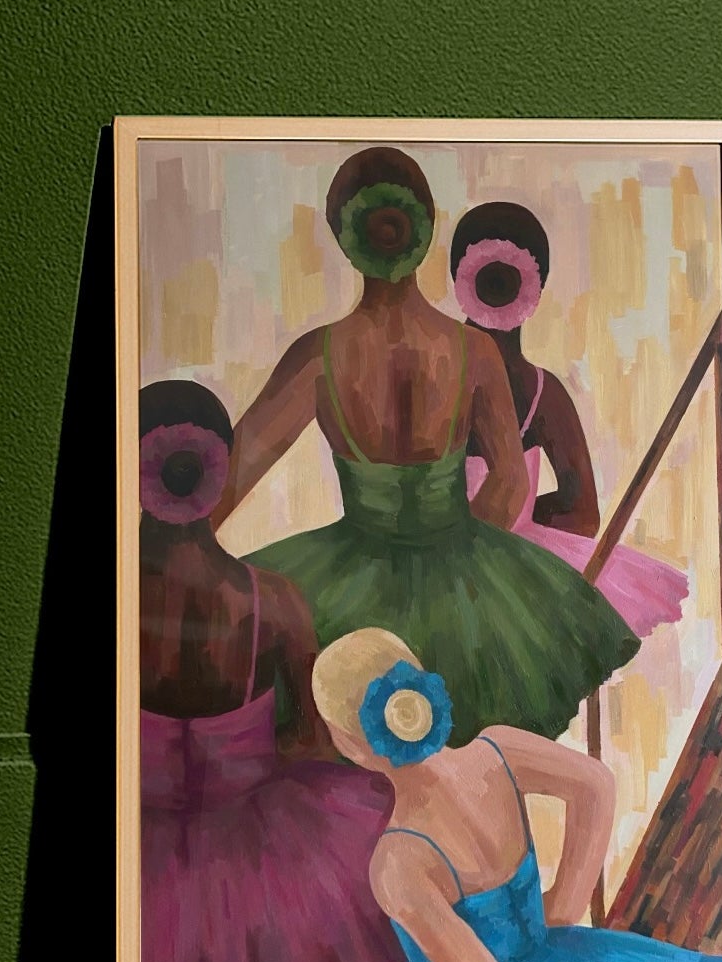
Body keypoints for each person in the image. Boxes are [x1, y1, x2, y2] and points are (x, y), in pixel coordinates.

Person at [213, 147, 640, 744]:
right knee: (462, 752)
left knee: (351, 736)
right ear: (427, 232)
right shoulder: (473, 351)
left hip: (349, 575)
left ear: (345, 241)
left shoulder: (320, 357)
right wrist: (463, 567)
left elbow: (228, 478)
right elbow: (509, 482)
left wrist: (179, 562)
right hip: (462, 567)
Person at [289, 628, 722, 962]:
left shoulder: (398, 861)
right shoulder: (498, 751)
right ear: (420, 688)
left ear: (351, 745)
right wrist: (564, 906)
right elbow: (596, 784)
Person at [137, 380, 401, 962]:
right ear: (220, 472)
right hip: (259, 835)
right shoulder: (275, 600)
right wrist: (247, 758)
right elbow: (313, 739)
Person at [450, 200, 688, 638]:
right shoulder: (532, 391)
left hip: (489, 571)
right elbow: (581, 513)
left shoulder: (540, 393)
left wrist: (518, 519)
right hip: (464, 565)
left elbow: (584, 513)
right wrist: (520, 518)